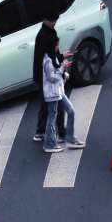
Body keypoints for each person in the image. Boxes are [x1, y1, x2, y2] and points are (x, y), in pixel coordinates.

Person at [41, 35, 85, 153]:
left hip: (59, 92)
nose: (58, 47)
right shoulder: (48, 60)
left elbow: (56, 72)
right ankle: (49, 145)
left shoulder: (53, 56)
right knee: (52, 118)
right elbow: (51, 77)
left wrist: (63, 69)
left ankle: (69, 138)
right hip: (52, 94)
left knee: (71, 111)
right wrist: (62, 68)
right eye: (57, 45)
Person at [33, 13, 70, 143]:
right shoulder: (45, 36)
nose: (54, 22)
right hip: (47, 79)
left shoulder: (48, 32)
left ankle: (41, 131)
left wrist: (60, 56)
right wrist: (61, 66)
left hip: (45, 77)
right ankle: (60, 133)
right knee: (56, 106)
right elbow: (50, 57)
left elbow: (52, 54)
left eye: (55, 19)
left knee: (46, 105)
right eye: (52, 20)